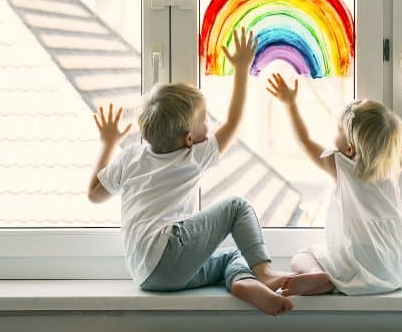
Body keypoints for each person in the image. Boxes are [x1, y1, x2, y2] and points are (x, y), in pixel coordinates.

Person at [87, 28, 293, 315]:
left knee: (231, 257)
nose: (208, 127)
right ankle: (266, 272)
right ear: (188, 139)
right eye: (204, 122)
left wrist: (108, 143)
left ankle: (245, 283)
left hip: (148, 276)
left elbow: (95, 195)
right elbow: (233, 122)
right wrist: (241, 70)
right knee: (236, 207)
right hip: (169, 251)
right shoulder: (191, 157)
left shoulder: (130, 156)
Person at [266, 71, 402, 295]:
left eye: (339, 130)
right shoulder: (393, 163)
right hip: (392, 270)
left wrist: (290, 103)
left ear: (350, 149)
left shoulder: (339, 166)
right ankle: (329, 279)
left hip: (355, 266)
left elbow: (304, 141)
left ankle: (325, 278)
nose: (336, 132)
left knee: (302, 257)